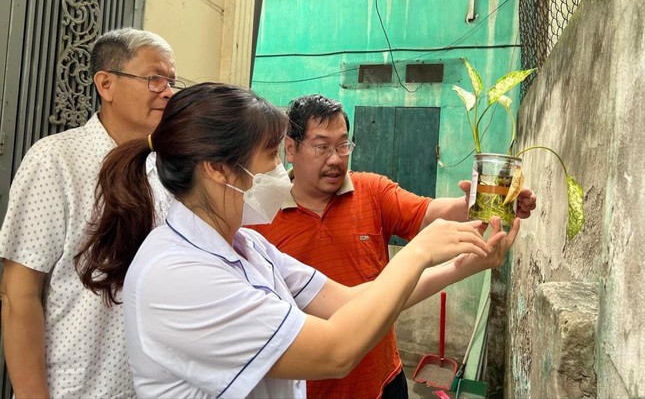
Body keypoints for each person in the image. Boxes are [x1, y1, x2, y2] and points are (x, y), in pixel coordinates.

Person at [76, 82, 520, 398]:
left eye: (343, 145)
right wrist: (418, 252)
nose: (276, 174)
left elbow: (353, 302)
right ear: (217, 168)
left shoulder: (246, 248)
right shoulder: (177, 275)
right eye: (270, 157)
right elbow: (335, 351)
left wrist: (465, 265)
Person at [249, 94, 537, 399]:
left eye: (343, 145)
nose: (335, 159)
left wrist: (479, 202)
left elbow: (428, 212)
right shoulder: (258, 219)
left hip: (384, 380)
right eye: (321, 147)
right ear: (290, 148)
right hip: (309, 388)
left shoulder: (371, 190)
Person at [0, 28, 181, 398]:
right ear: (106, 84)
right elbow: (19, 294)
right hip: (73, 388)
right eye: (155, 79)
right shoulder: (56, 160)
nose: (168, 91)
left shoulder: (165, 172)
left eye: (172, 81)